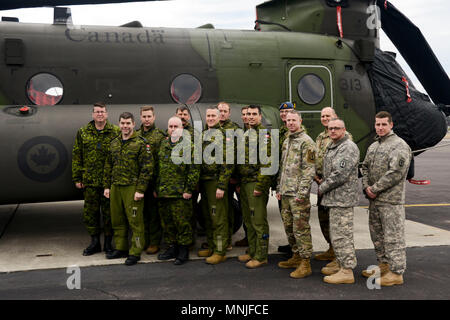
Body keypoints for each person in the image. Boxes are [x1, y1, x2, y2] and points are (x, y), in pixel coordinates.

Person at [361, 111, 412, 286]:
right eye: (377, 124)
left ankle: (396, 272)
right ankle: (383, 265)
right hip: (375, 200)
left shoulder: (399, 145)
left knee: (393, 237)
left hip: (390, 201)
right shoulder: (374, 146)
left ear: (391, 125)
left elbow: (396, 173)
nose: (380, 128)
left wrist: (374, 189)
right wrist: (366, 187)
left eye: (384, 124)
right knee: (378, 235)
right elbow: (365, 167)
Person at [103, 112, 154, 266]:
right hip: (116, 186)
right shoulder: (114, 143)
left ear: (133, 124)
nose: (125, 126)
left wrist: (140, 190)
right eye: (122, 123)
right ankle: (121, 248)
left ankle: (135, 251)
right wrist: (107, 186)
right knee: (117, 220)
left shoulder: (141, 143)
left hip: (132, 187)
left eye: (128, 123)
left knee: (135, 222)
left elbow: (147, 168)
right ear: (119, 124)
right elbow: (108, 166)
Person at [72, 102, 120, 256]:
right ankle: (94, 242)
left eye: (102, 112)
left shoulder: (115, 132)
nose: (100, 114)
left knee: (109, 213)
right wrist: (77, 177)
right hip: (90, 180)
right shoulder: (83, 132)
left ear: (106, 114)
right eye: (97, 112)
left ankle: (108, 243)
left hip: (109, 181)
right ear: (93, 114)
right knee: (90, 212)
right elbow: (77, 155)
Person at [318, 118, 360, 284]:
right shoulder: (333, 145)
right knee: (337, 235)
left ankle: (347, 271)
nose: (333, 131)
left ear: (344, 130)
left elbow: (339, 174)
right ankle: (341, 264)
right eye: (330, 128)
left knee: (343, 236)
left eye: (336, 128)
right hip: (335, 199)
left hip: (343, 199)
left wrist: (322, 187)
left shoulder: (347, 147)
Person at [276, 111, 316, 278]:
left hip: (297, 194)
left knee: (301, 228)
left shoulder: (307, 143)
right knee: (289, 226)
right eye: (288, 120)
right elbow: (283, 166)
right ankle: (296, 255)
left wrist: (302, 192)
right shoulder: (287, 140)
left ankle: (306, 263)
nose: (291, 123)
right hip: (285, 192)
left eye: (294, 120)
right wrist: (279, 187)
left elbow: (309, 170)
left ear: (300, 121)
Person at [155, 117, 200, 265]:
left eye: (176, 126)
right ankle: (172, 248)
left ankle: (183, 250)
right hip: (164, 192)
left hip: (180, 193)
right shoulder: (163, 144)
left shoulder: (189, 146)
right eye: (170, 126)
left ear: (182, 129)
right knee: (167, 223)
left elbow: (193, 171)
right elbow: (158, 168)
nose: (173, 129)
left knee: (182, 223)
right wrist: (157, 188)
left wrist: (189, 189)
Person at [314, 107, 353, 261]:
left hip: (335, 186)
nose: (324, 118)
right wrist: (316, 178)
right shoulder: (320, 137)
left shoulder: (345, 137)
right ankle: (331, 249)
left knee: (338, 223)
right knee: (324, 219)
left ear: (335, 116)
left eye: (328, 116)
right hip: (321, 183)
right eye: (322, 116)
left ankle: (340, 257)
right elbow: (315, 158)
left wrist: (325, 183)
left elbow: (342, 167)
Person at [237, 105, 273, 268]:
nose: (250, 117)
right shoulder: (247, 134)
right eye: (248, 114)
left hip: (255, 183)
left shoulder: (263, 135)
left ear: (260, 116)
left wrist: (260, 186)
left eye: (254, 114)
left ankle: (261, 255)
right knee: (249, 219)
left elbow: (268, 164)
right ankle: (252, 251)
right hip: (244, 183)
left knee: (258, 221)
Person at [198, 107, 234, 264]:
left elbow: (227, 164)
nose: (210, 118)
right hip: (205, 181)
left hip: (215, 181)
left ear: (219, 117)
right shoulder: (204, 135)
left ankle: (220, 250)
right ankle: (212, 247)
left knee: (218, 217)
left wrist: (221, 186)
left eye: (213, 115)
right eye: (208, 115)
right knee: (208, 215)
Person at [136, 106, 166, 255]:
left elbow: (162, 163)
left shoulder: (159, 136)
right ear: (140, 117)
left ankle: (154, 242)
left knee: (153, 214)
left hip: (153, 181)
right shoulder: (135, 135)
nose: (147, 119)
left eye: (149, 116)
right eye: (144, 116)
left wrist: (158, 185)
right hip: (139, 182)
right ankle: (144, 240)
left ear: (154, 117)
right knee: (142, 214)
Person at [217, 101, 241, 250]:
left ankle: (227, 242)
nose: (222, 113)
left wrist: (236, 178)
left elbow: (239, 155)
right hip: (216, 177)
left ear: (229, 113)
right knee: (220, 210)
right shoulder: (210, 127)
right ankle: (221, 239)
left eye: (225, 111)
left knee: (228, 210)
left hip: (230, 177)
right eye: (220, 111)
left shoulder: (234, 129)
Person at [276, 101, 295, 256]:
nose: (284, 114)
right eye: (282, 112)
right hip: (283, 182)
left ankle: (296, 250)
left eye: (287, 112)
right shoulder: (283, 131)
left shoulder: (295, 133)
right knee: (286, 216)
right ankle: (291, 244)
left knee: (295, 218)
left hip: (292, 184)